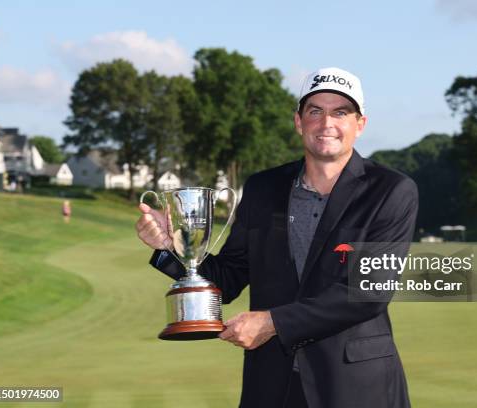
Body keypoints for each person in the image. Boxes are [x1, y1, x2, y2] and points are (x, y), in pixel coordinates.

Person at [136, 67, 418, 408]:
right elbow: (229, 278)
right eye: (315, 111)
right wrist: (174, 246)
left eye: (341, 112)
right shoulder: (262, 188)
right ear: (299, 122)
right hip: (271, 384)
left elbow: (367, 293)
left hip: (356, 386)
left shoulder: (390, 190)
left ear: (360, 125)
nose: (327, 123)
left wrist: (272, 322)